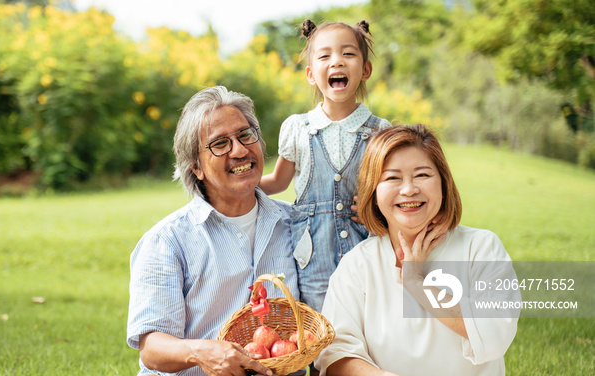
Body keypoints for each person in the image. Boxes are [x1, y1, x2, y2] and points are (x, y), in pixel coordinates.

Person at [315, 125, 519, 375]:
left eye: (422, 175)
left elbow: (496, 331)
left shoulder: (481, 247)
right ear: (374, 192)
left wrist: (417, 284)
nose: (409, 189)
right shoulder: (358, 265)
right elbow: (336, 354)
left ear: (443, 183)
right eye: (392, 178)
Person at [126, 86, 300, 376]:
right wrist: (201, 351)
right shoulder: (167, 241)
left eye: (245, 135)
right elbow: (152, 348)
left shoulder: (296, 223)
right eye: (220, 144)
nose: (241, 150)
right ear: (196, 167)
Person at [259, 19, 391, 315]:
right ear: (310, 74)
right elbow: (279, 182)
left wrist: (377, 209)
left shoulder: (379, 132)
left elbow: (389, 186)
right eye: (325, 56)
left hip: (365, 244)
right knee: (319, 325)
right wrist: (234, 186)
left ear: (365, 70)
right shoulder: (298, 128)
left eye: (348, 54)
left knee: (366, 318)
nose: (337, 62)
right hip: (312, 251)